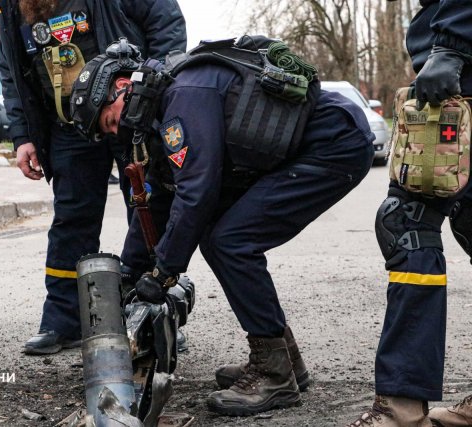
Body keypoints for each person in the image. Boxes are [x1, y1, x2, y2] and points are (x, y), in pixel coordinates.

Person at [69, 37, 375, 416]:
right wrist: (134, 271)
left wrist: (165, 271)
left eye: (111, 121)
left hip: (334, 142)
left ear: (121, 88)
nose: (116, 132)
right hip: (314, 143)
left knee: (232, 241)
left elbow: (197, 192)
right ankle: (286, 362)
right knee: (222, 240)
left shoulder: (183, 96)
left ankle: (274, 374)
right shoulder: (159, 112)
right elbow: (161, 197)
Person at [0, 0, 187, 355]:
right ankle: (63, 321)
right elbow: (11, 70)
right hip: (67, 127)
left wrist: (152, 93)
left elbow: (166, 22)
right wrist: (23, 136)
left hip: (127, 109)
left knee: (147, 211)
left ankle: (157, 316)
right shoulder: (10, 6)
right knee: (71, 219)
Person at [348, 1, 472, 426]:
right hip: (454, 78)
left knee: (407, 223)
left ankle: (400, 409)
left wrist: (455, 44)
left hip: (459, 74)